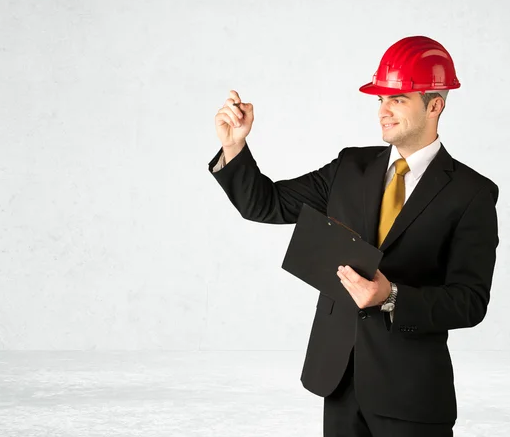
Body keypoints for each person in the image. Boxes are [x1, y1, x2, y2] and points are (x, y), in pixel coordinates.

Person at [207, 35, 499, 437]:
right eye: (380, 99)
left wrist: (392, 297)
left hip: (411, 395)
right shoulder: (350, 166)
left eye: (397, 99)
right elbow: (265, 203)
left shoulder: (471, 193)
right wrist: (235, 146)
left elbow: (470, 301)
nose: (383, 111)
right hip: (340, 380)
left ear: (435, 105)